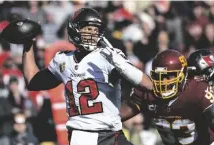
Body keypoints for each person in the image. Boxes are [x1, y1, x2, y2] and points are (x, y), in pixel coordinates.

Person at [22, 8, 152, 145]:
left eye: (95, 30)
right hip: (84, 135)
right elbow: (33, 81)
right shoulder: (63, 60)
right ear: (74, 29)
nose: (93, 33)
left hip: (110, 134)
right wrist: (28, 45)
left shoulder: (108, 57)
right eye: (88, 29)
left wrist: (123, 66)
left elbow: (148, 85)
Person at [120, 50, 214, 145]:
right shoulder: (147, 93)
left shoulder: (197, 90)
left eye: (169, 75)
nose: (163, 81)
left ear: (182, 75)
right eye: (158, 76)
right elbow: (116, 117)